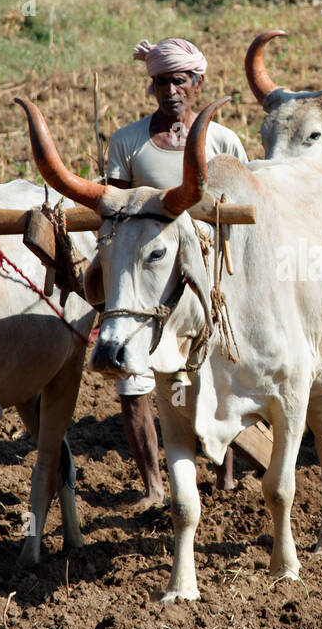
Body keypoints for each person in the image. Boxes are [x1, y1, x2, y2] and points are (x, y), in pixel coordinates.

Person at [105, 37, 248, 508]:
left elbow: (243, 215)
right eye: (161, 81)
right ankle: (153, 486)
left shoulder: (224, 142)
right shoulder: (127, 142)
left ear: (198, 83)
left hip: (206, 278)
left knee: (216, 370)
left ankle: (226, 473)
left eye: (180, 80)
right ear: (151, 87)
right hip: (148, 281)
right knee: (133, 377)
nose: (171, 90)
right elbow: (114, 211)